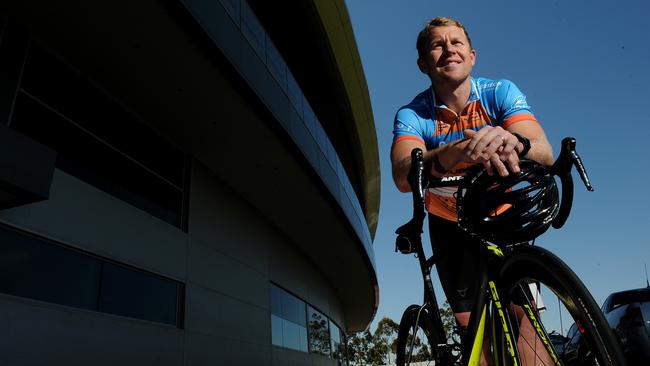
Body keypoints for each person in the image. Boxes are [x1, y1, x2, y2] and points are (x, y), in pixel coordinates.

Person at [390, 16, 554, 365]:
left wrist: (517, 142)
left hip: (502, 215)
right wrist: (450, 153)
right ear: (423, 64)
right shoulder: (412, 114)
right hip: (450, 223)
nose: (449, 48)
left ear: (472, 55)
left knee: (524, 320)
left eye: (456, 42)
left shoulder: (499, 92)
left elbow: (545, 152)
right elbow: (403, 175)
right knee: (475, 335)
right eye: (438, 44)